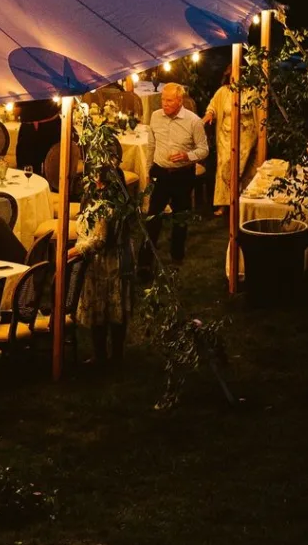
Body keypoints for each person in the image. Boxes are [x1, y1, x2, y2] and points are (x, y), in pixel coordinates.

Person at [74, 147, 134, 366]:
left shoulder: (111, 205)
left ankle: (112, 355)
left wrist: (75, 251)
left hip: (110, 262)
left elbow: (100, 240)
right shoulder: (94, 198)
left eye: (98, 178)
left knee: (111, 307)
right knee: (103, 309)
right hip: (104, 261)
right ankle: (103, 353)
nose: (95, 181)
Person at [140, 82, 208, 271]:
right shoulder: (155, 116)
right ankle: (145, 262)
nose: (164, 103)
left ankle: (176, 257)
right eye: (163, 99)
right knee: (153, 217)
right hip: (161, 172)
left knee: (180, 218)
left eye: (169, 100)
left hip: (183, 175)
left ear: (179, 101)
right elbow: (151, 145)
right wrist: (147, 170)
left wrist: (188, 156)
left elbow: (204, 150)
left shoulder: (193, 121)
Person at [203, 66, 259, 216]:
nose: (236, 79)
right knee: (225, 168)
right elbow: (212, 107)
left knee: (241, 169)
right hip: (226, 135)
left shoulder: (251, 92)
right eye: (233, 75)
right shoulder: (223, 92)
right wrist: (209, 115)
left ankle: (241, 202)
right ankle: (224, 204)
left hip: (246, 135)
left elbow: (259, 113)